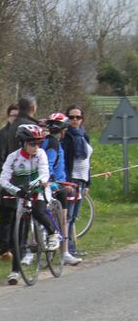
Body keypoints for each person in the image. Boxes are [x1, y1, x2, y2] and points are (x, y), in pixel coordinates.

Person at [0, 124, 61, 284]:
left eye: (38, 143)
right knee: (18, 233)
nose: (36, 146)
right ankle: (15, 271)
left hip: (39, 190)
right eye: (32, 143)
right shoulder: (13, 157)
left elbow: (44, 174)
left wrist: (33, 185)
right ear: (23, 143)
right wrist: (16, 191)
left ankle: (53, 232)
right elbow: (3, 180)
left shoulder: (40, 154)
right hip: (22, 194)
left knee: (38, 211)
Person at [42, 113, 80, 265]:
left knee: (49, 219)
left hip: (54, 184)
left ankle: (57, 252)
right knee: (62, 220)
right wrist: (60, 185)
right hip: (56, 187)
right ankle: (64, 253)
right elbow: (49, 166)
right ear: (63, 130)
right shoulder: (54, 144)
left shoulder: (47, 141)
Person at [62, 104, 92, 258]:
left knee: (73, 217)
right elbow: (65, 162)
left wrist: (88, 183)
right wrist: (67, 183)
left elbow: (88, 161)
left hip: (82, 180)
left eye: (78, 117)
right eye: (71, 117)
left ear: (82, 119)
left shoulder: (83, 135)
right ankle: (68, 250)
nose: (75, 120)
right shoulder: (67, 137)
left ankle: (71, 248)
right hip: (72, 180)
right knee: (68, 217)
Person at [0, 104, 19, 262]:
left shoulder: (21, 135)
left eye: (18, 115)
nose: (15, 118)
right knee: (6, 218)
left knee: (18, 218)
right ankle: (4, 250)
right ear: (8, 116)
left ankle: (16, 248)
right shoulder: (2, 135)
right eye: (13, 115)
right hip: (4, 184)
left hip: (19, 185)